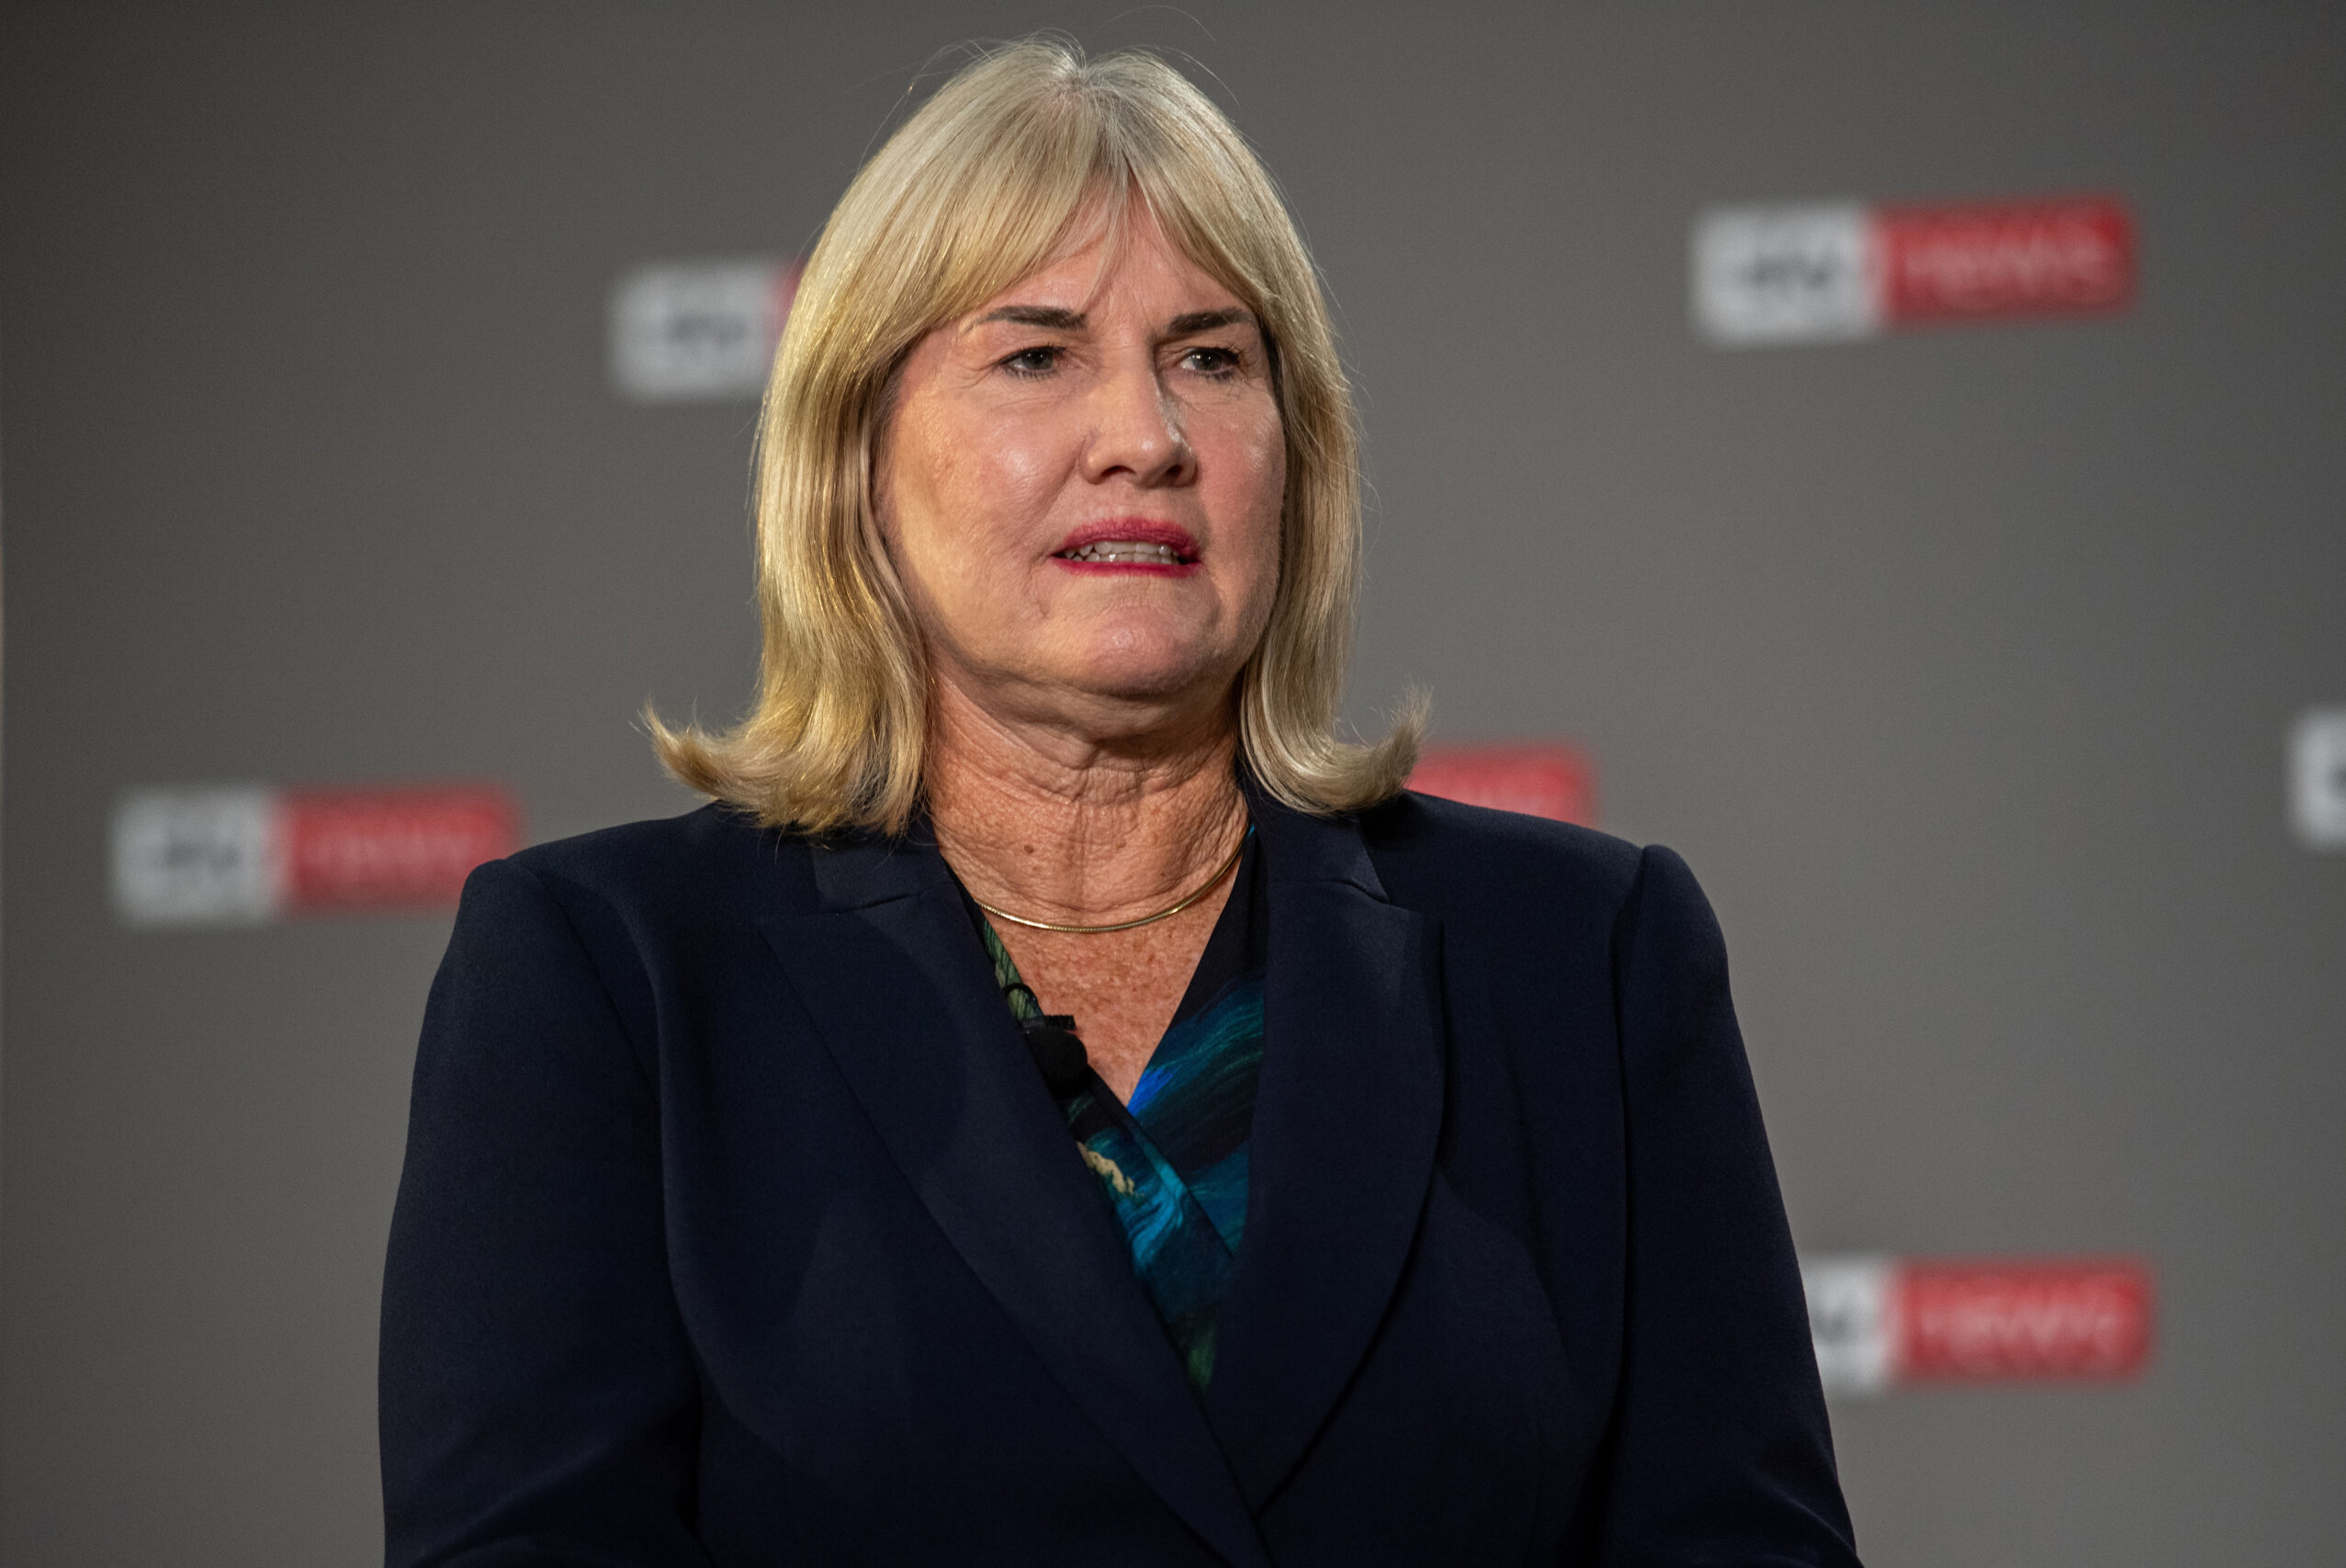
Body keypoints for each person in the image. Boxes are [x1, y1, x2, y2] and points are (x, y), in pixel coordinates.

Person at [379, 39, 1860, 1568]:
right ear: (854, 459)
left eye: (1211, 358)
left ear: (1297, 456)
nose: (1147, 437)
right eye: (1037, 356)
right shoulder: (609, 979)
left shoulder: (1585, 958)